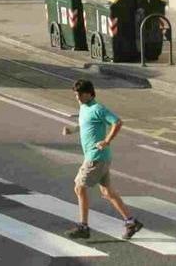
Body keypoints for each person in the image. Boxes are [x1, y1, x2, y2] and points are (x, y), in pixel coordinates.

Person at [61, 79, 143, 241]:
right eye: (76, 95)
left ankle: (83, 227)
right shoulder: (84, 107)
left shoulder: (98, 108)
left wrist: (107, 140)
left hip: (96, 157)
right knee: (107, 192)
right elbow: (86, 125)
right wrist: (72, 130)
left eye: (79, 95)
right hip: (101, 158)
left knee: (79, 187)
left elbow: (117, 122)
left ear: (89, 93)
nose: (77, 98)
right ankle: (131, 222)